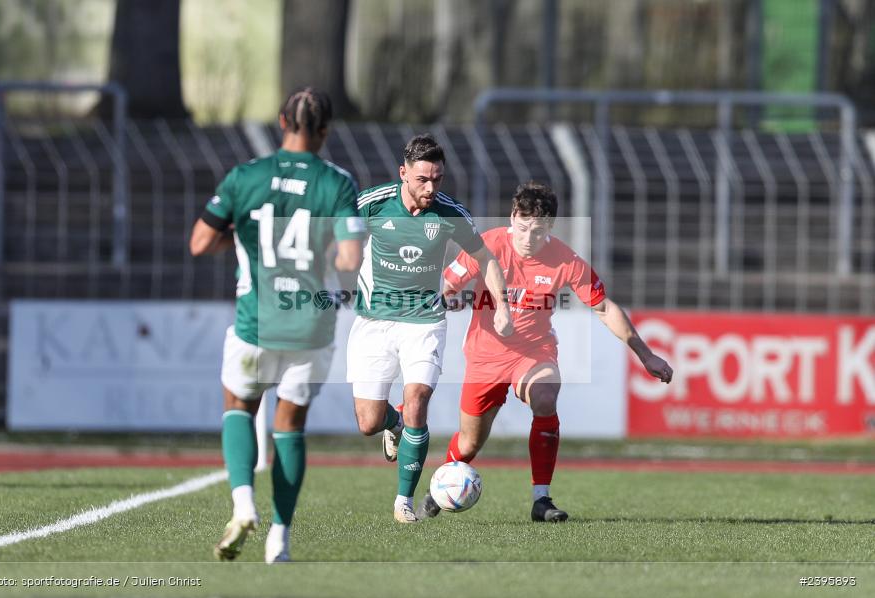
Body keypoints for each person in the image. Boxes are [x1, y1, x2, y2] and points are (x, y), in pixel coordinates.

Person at [417, 181, 673, 522]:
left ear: (550, 227)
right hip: (485, 357)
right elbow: (447, 287)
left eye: (537, 231)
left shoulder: (566, 260)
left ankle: (542, 499)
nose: (527, 238)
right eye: (522, 228)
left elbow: (604, 308)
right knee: (468, 444)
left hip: (534, 352)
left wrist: (646, 355)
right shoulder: (488, 244)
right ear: (512, 219)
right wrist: (446, 300)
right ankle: (439, 490)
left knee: (545, 397)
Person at [189, 88, 365, 562]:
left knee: (239, 406)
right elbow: (350, 257)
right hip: (311, 326)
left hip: (257, 321)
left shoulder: (246, 176)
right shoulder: (337, 182)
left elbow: (200, 242)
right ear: (326, 131)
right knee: (290, 426)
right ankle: (279, 540)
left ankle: (243, 504)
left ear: (282, 121)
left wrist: (244, 238)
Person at [347, 134, 513, 524]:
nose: (430, 187)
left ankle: (403, 502)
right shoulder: (372, 203)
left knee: (418, 396)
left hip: (424, 322)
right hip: (374, 322)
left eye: (437, 179)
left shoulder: (450, 213)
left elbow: (485, 258)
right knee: (369, 423)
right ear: (403, 173)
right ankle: (395, 422)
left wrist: (502, 306)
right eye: (422, 179)